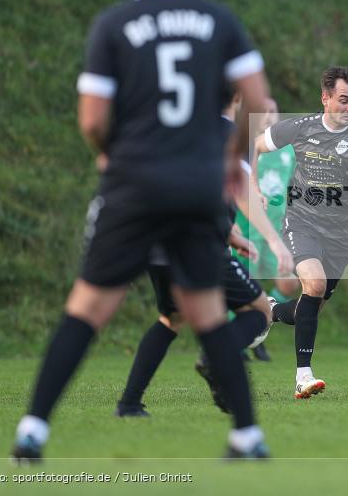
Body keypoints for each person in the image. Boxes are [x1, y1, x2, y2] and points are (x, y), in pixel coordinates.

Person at [11, 0, 273, 462]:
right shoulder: (217, 19)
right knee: (206, 314)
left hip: (135, 184)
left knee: (85, 311)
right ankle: (247, 436)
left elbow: (90, 118)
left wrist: (109, 151)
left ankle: (33, 430)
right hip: (196, 187)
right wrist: (228, 157)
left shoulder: (114, 23)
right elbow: (255, 97)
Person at [114, 97, 293, 417]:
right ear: (237, 98)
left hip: (158, 242)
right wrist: (274, 241)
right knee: (260, 310)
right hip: (195, 243)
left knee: (172, 319)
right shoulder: (229, 134)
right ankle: (216, 357)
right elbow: (241, 191)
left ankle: (129, 403)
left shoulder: (178, 132)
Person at [251, 66, 348, 399]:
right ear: (325, 98)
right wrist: (252, 184)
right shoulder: (300, 128)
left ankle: (269, 311)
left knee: (309, 306)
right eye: (344, 100)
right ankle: (303, 377)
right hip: (301, 221)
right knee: (314, 284)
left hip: (342, 233)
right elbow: (254, 146)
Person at [233, 98, 300, 362]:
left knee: (289, 282)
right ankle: (239, 340)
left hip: (274, 228)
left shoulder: (287, 151)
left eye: (274, 111)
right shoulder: (245, 146)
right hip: (246, 225)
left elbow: (295, 184)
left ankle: (261, 327)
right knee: (241, 286)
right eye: (265, 112)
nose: (270, 116)